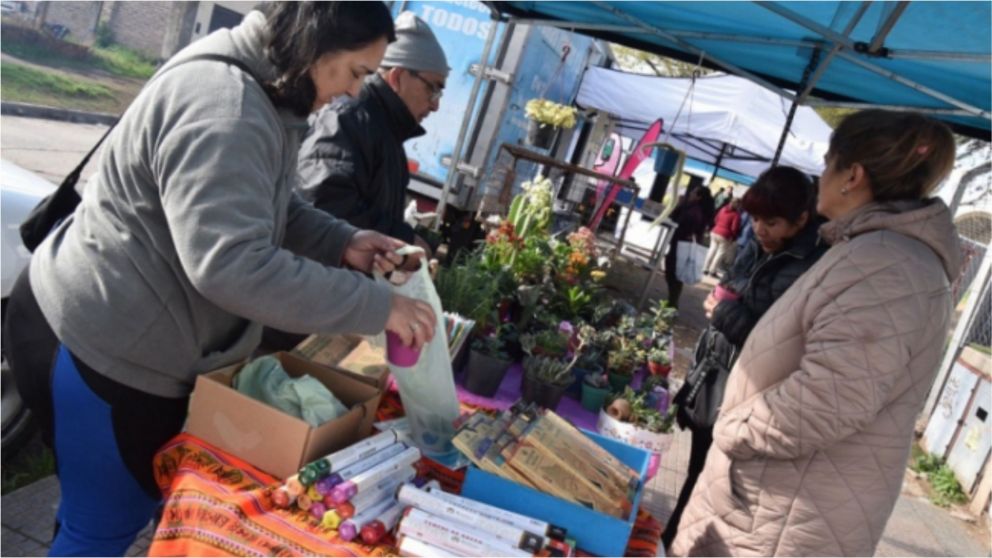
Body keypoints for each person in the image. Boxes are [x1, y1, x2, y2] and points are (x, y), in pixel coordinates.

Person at [2, 4, 438, 556]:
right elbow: (233, 265)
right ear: (315, 46)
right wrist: (378, 306)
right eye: (355, 73)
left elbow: (266, 205)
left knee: (96, 515)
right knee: (102, 527)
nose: (353, 93)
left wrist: (341, 242)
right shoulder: (227, 104)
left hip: (113, 327)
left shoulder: (264, 87)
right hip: (100, 342)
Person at [671, 110, 960, 556]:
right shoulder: (874, 253)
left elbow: (831, 397)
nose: (820, 176)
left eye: (828, 164)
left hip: (784, 510)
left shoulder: (886, 266)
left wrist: (733, 427)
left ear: (852, 176)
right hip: (778, 500)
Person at [663, 167, 828, 549]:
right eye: (755, 219)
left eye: (771, 222)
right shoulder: (759, 242)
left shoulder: (812, 264)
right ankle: (670, 539)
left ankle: (676, 541)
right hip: (717, 372)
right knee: (695, 472)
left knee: (713, 484)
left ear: (802, 219)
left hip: (748, 392)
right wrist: (718, 297)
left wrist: (722, 311)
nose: (760, 229)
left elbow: (776, 342)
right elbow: (734, 285)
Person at [298, 11, 448, 259]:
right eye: (433, 89)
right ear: (398, 77)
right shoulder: (348, 118)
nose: (435, 105)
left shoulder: (385, 130)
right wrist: (403, 239)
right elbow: (323, 207)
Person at [664, 188, 708, 308]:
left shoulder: (694, 211)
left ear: (699, 197)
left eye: (693, 192)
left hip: (681, 246)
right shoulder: (693, 209)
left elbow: (678, 222)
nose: (690, 194)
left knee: (674, 275)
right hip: (679, 245)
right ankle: (672, 303)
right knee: (674, 275)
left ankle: (672, 304)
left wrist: (679, 205)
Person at [702, 197, 742, 277]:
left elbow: (716, 219)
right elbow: (734, 228)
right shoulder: (736, 215)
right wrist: (733, 237)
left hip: (715, 231)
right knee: (720, 253)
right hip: (725, 235)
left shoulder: (723, 209)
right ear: (738, 205)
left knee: (711, 250)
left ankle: (705, 268)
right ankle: (712, 271)